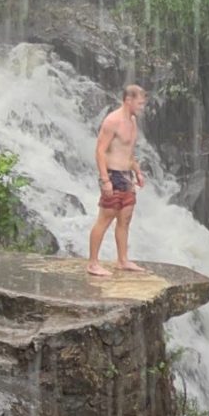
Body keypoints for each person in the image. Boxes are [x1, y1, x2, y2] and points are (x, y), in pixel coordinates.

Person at [87, 84, 148, 277]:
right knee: (105, 219)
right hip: (112, 175)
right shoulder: (112, 121)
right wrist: (105, 180)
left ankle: (122, 260)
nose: (142, 107)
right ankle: (93, 263)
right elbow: (100, 151)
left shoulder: (132, 121)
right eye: (140, 103)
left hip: (127, 175)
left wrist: (138, 172)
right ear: (128, 100)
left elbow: (129, 151)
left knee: (125, 219)